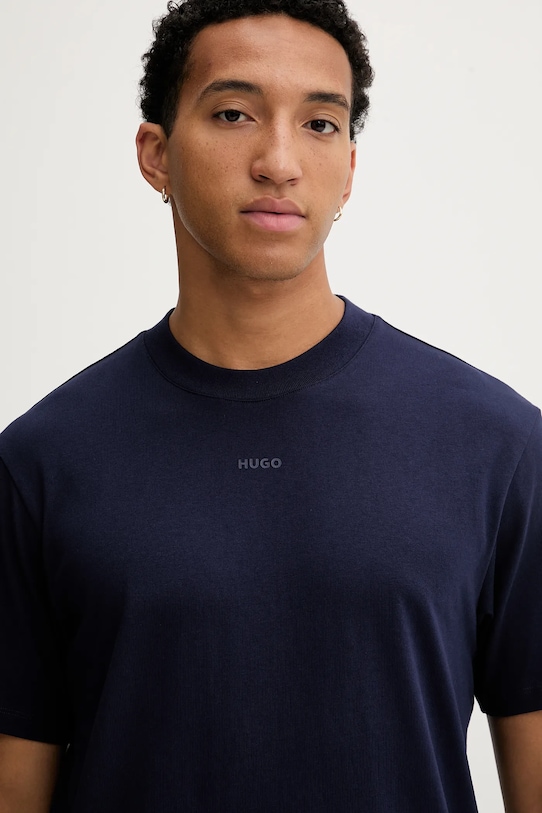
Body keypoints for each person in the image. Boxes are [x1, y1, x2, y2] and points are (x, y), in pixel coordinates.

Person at [0, 0, 541, 809]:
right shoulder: (41, 462)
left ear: (348, 169)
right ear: (155, 154)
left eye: (320, 124)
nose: (279, 161)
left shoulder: (498, 445)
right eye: (233, 114)